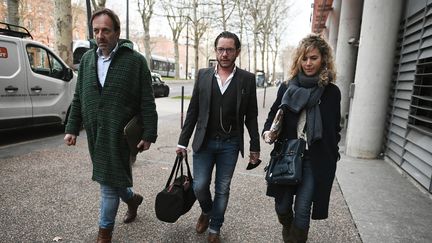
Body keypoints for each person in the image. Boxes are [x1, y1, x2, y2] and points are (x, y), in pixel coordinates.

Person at [63, 8, 157, 243]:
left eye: (106, 30)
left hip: (121, 135)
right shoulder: (86, 60)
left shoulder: (135, 62)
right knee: (112, 179)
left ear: (117, 32)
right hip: (96, 133)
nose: (100, 35)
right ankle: (132, 199)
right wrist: (72, 128)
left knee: (107, 184)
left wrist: (149, 134)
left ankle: (104, 234)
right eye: (96, 30)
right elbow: (78, 97)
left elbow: (147, 100)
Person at [176, 31, 261, 243]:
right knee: (199, 186)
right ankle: (207, 210)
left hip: (230, 144)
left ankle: (215, 227)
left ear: (237, 52)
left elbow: (251, 116)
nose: (224, 54)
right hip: (204, 142)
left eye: (229, 50)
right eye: (221, 49)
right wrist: (182, 142)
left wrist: (255, 146)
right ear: (216, 50)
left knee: (222, 188)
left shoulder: (247, 80)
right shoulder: (204, 75)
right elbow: (193, 110)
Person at [262, 34, 341, 242]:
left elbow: (335, 127)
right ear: (299, 60)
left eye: (313, 58)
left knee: (303, 209)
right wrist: (267, 131)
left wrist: (333, 153)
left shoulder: (331, 92)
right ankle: (287, 225)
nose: (308, 63)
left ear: (323, 59)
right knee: (282, 205)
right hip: (286, 154)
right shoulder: (287, 87)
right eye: (304, 58)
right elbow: (273, 114)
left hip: (314, 159)